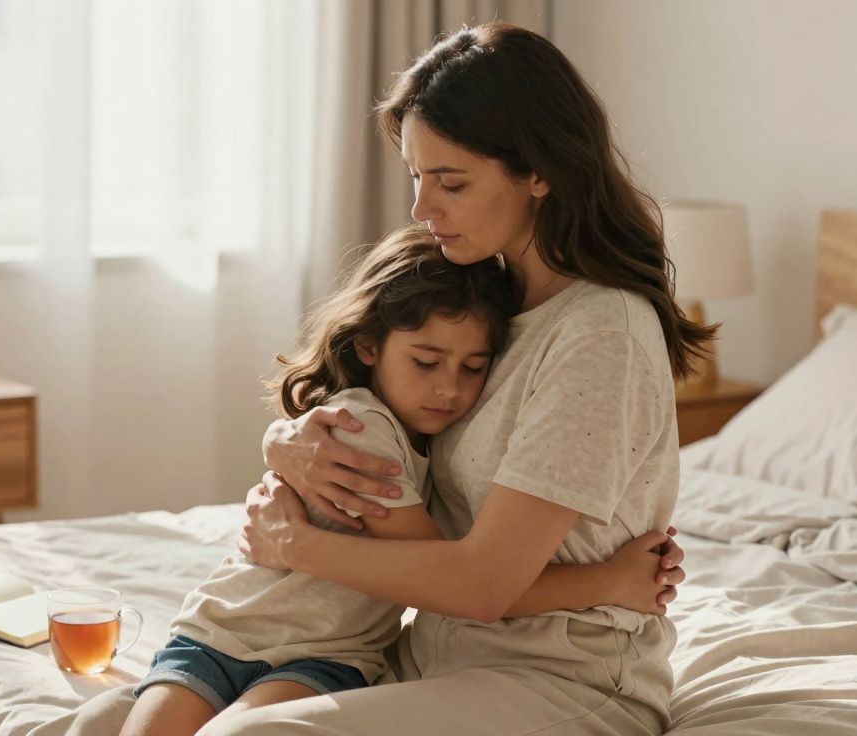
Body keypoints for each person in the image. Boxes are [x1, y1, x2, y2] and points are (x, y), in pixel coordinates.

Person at [206, 23, 707, 735]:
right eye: (417, 176)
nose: (421, 209)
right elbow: (373, 401)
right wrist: (286, 442)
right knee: (110, 722)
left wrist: (293, 544)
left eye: (451, 182)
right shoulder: (486, 303)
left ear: (540, 171)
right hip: (428, 658)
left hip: (561, 682)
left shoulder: (602, 333)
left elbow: (480, 583)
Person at [118, 226, 682, 736]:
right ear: (369, 345)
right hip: (223, 635)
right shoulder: (361, 433)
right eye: (426, 362)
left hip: (327, 657)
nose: (448, 390)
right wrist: (605, 582)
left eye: (472, 367)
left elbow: (472, 580)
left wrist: (287, 485)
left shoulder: (438, 429)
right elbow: (448, 568)